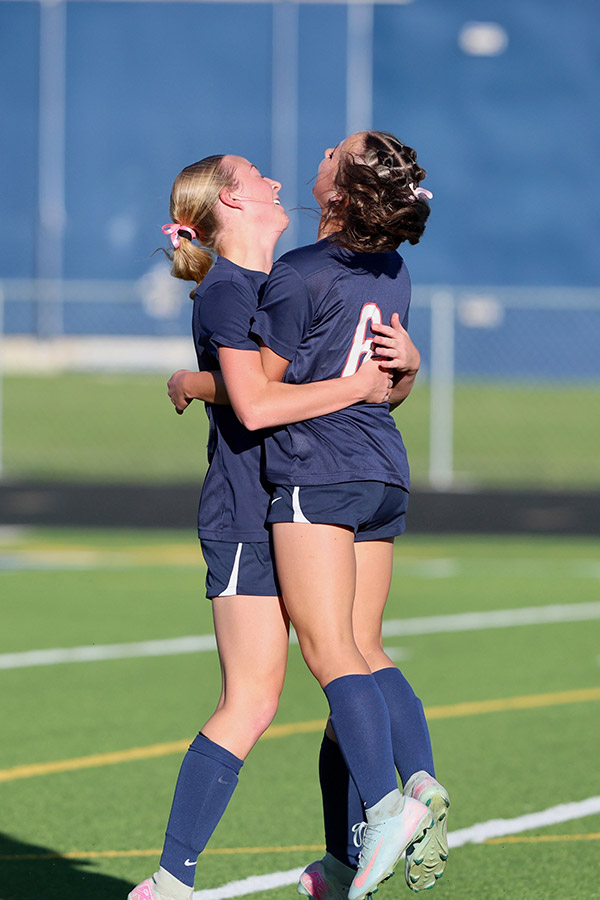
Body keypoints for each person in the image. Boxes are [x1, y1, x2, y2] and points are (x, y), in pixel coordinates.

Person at [128, 154, 395, 900]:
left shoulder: (280, 282)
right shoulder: (223, 292)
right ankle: (170, 881)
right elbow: (257, 405)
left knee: (347, 671)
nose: (278, 182)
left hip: (305, 505)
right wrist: (358, 385)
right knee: (253, 699)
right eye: (257, 176)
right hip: (249, 513)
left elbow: (269, 378)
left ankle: (343, 862)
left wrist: (401, 368)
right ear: (229, 204)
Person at [248, 131, 450, 898]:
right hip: (382, 472)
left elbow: (258, 395)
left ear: (337, 189)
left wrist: (193, 381)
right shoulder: (394, 270)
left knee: (331, 651)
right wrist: (408, 373)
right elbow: (389, 385)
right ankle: (421, 784)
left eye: (334, 151)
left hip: (317, 470)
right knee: (367, 644)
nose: (321, 153)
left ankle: (386, 807)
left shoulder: (298, 272)